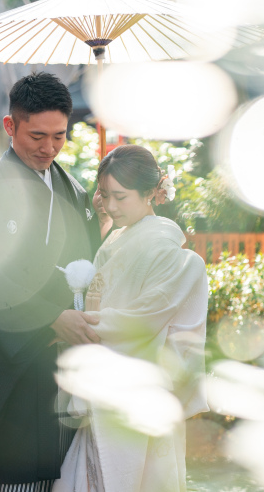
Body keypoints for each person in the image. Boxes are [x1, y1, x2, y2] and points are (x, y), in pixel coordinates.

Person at [0, 72, 108, 492]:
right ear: (11, 126)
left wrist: (105, 221)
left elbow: (91, 265)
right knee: (18, 477)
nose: (49, 148)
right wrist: (49, 317)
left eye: (59, 136)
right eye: (37, 136)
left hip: (65, 365)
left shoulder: (74, 190)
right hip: (18, 368)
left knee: (68, 474)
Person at [53, 145, 209, 492]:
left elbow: (144, 317)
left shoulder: (164, 247)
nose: (110, 206)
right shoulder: (120, 237)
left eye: (120, 197)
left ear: (152, 193)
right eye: (105, 195)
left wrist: (80, 326)